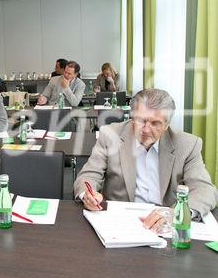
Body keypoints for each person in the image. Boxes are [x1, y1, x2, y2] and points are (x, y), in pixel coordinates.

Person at [74, 89, 218, 231]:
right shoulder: (110, 135)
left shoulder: (187, 145)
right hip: (120, 221)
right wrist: (88, 195)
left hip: (165, 223)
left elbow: (204, 190)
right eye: (140, 120)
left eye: (155, 123)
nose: (146, 130)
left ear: (167, 125)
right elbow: (89, 175)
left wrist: (177, 214)